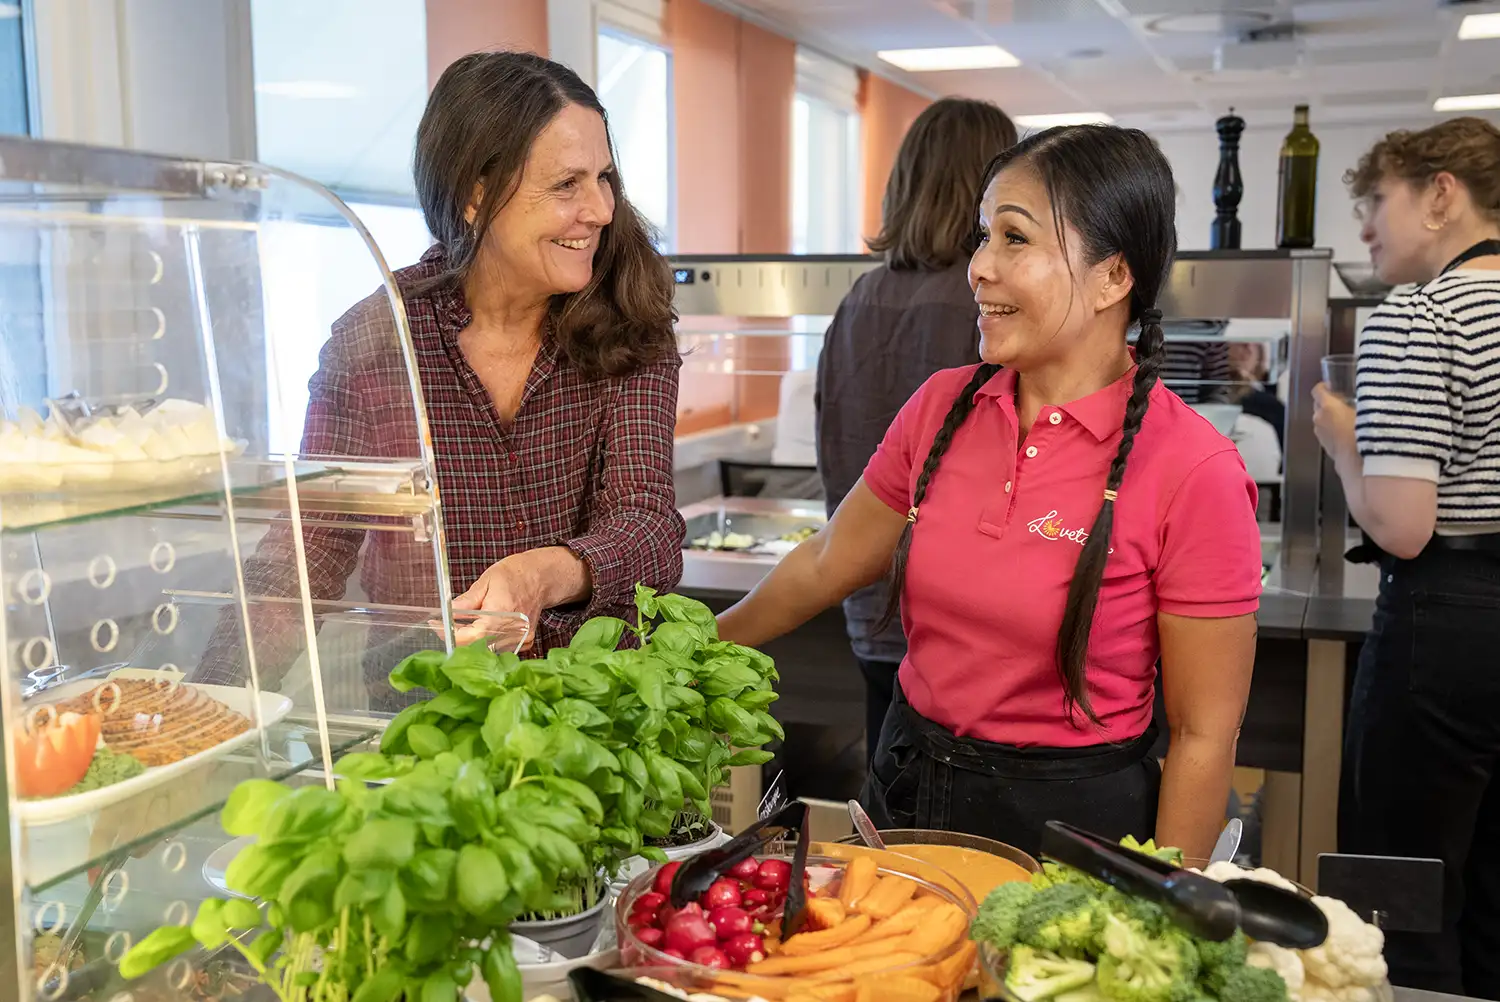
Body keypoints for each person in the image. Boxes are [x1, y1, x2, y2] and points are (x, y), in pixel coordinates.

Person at [719, 125, 1263, 860]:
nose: (979, 267)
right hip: (910, 796)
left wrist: (1166, 908)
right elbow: (824, 563)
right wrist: (690, 653)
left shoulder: (1194, 468)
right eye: (983, 236)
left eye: (1015, 238)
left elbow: (1204, 733)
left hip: (1074, 830)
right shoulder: (942, 407)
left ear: (1113, 277)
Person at [198, 52, 684, 704]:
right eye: (567, 184)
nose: (599, 208)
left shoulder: (632, 318)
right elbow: (303, 560)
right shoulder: (377, 338)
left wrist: (540, 575)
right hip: (428, 722)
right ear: (474, 195)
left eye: (604, 178)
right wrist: (206, 709)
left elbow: (648, 528)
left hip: (594, 724)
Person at [1313, 116, 1500, 997]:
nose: (1364, 227)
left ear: (1439, 194)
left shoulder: (1418, 315)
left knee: (1404, 895)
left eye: (1375, 201)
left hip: (1449, 623)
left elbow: (1400, 526)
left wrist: (1345, 442)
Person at [816, 98, 1017, 766]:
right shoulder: (986, 308)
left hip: (865, 603)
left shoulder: (858, 298)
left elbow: (832, 439)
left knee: (890, 802)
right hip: (954, 632)